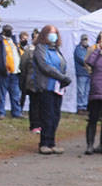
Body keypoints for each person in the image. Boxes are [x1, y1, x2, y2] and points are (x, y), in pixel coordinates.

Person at [29, 25, 72, 154]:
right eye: (51, 33)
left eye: (55, 33)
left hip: (57, 87)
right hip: (46, 86)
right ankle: (44, 143)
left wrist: (62, 78)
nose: (53, 36)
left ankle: (52, 142)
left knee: (55, 116)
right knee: (47, 116)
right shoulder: (40, 48)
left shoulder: (56, 50)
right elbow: (45, 66)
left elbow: (62, 66)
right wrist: (62, 77)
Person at [0, 25, 24, 119]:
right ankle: (1, 112)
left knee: (15, 93)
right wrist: (1, 68)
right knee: (2, 94)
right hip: (3, 73)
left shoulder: (13, 40)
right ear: (4, 31)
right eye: (8, 31)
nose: (10, 32)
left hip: (15, 72)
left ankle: (16, 112)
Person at [73, 34, 92, 112]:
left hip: (89, 73)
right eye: (84, 39)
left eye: (86, 39)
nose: (85, 41)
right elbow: (82, 59)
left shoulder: (89, 48)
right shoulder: (78, 49)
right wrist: (90, 62)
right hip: (81, 73)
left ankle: (85, 106)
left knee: (87, 91)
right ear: (81, 40)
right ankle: (80, 107)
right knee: (81, 91)